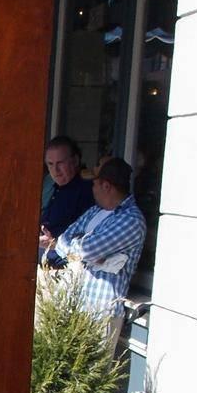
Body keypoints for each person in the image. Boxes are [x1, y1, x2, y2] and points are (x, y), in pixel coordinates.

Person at [39, 156, 146, 343]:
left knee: (94, 371)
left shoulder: (131, 220)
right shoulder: (96, 211)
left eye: (94, 184)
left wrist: (78, 249)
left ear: (106, 186)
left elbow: (87, 250)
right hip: (74, 306)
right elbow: (65, 237)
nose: (92, 189)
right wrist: (79, 250)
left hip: (100, 313)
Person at [40, 134, 94, 242]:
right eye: (50, 164)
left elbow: (86, 236)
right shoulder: (54, 188)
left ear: (75, 161)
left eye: (60, 163)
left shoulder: (87, 191)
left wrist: (54, 243)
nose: (55, 169)